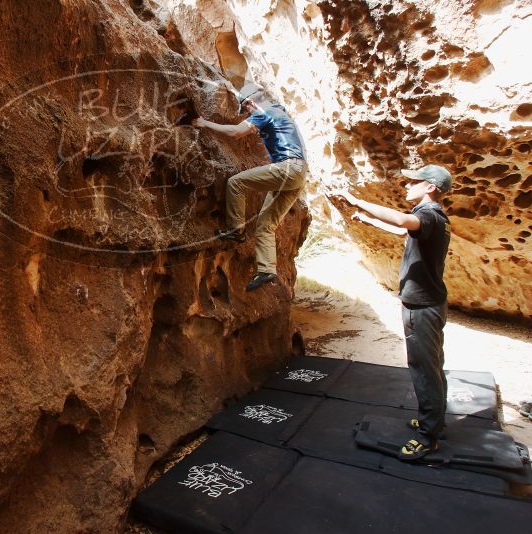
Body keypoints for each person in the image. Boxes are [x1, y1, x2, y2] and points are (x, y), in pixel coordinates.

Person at [335, 164, 453, 460]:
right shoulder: (436, 219)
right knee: (433, 365)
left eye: (414, 182)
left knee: (424, 370)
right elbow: (402, 228)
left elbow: (402, 219)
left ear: (430, 187)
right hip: (430, 302)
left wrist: (357, 200)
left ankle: (428, 437)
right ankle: (434, 420)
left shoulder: (428, 215)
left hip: (422, 307)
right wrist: (367, 219)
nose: (407, 186)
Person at [192, 83, 309, 292]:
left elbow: (237, 132)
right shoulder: (279, 111)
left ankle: (236, 230)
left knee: (236, 183)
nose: (247, 112)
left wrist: (205, 123)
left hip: (288, 168)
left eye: (246, 109)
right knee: (266, 223)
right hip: (298, 174)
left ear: (251, 102)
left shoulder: (265, 111)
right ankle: (267, 271)